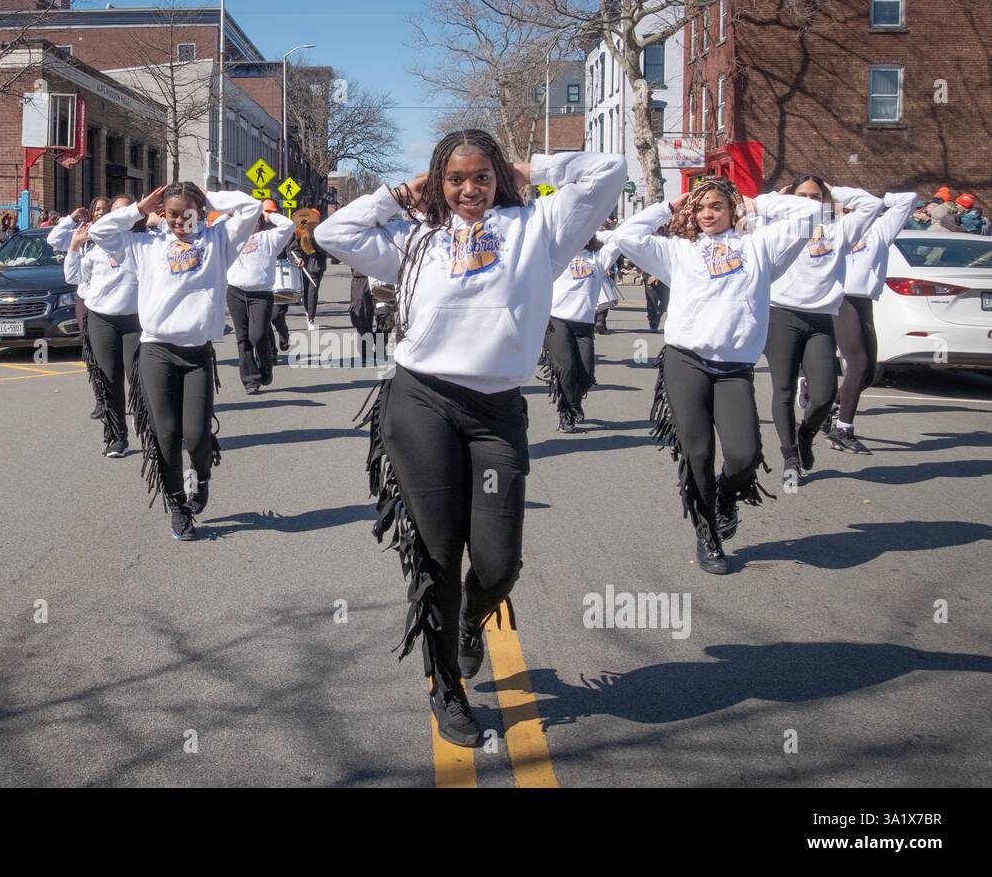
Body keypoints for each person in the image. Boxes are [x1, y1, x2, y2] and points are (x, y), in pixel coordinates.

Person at [315, 129, 625, 748]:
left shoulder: (540, 228)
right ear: (438, 182)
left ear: (499, 180)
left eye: (480, 177)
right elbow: (333, 233)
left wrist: (526, 165)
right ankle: (446, 689)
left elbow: (608, 172)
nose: (468, 190)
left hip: (496, 413)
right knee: (434, 555)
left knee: (497, 560)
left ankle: (470, 622)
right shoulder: (415, 238)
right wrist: (404, 192)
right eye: (454, 179)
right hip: (421, 400)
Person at [612, 178, 821, 576]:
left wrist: (757, 203)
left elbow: (810, 213)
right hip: (685, 360)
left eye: (718, 206)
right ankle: (708, 535)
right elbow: (626, 235)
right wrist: (670, 207)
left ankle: (727, 495)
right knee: (699, 453)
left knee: (742, 455)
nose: (708, 213)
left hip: (733, 369)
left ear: (732, 210)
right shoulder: (679, 252)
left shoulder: (760, 248)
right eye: (702, 206)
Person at [90, 182, 261, 541]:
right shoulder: (145, 245)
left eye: (187, 213)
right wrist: (138, 209)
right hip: (156, 351)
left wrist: (210, 196)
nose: (179, 221)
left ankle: (201, 477)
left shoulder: (218, 242)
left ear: (199, 211)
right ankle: (178, 506)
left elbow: (250, 209)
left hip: (197, 354)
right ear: (162, 214)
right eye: (171, 214)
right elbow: (99, 231)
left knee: (197, 435)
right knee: (166, 435)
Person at [760, 177, 882, 483]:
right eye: (802, 196)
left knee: (825, 392)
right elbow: (753, 206)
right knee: (784, 390)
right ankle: (790, 457)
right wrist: (782, 197)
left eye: (816, 197)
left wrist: (834, 189)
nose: (809, 202)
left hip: (821, 319)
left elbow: (873, 204)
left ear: (826, 200)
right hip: (781, 315)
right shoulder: (777, 228)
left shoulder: (840, 228)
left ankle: (806, 435)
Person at [826, 189, 918, 453]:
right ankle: (842, 428)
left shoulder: (881, 229)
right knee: (858, 363)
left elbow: (909, 198)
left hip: (865, 302)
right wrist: (831, 196)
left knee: (866, 374)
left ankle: (822, 401)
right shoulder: (836, 228)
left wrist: (837, 189)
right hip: (841, 300)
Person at [63, 213, 140, 457]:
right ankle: (118, 437)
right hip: (101, 319)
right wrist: (74, 246)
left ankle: (153, 431)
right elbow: (74, 277)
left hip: (136, 321)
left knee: (140, 378)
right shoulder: (95, 252)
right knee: (109, 379)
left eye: (124, 211)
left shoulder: (141, 245)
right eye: (113, 212)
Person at [541, 231, 620, 432]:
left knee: (585, 375)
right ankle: (566, 413)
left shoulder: (599, 258)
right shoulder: (556, 255)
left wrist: (595, 226)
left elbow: (622, 237)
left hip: (584, 324)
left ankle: (575, 403)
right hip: (557, 320)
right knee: (566, 369)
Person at [48, 197, 116, 419]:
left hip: (113, 301)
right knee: (92, 352)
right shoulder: (82, 232)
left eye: (105, 209)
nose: (100, 213)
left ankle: (125, 395)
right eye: (97, 209)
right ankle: (101, 400)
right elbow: (53, 238)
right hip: (85, 299)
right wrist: (71, 219)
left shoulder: (117, 235)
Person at [226, 199, 295, 393]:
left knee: (257, 335)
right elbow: (212, 226)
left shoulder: (269, 238)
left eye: (253, 220)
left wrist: (268, 214)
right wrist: (229, 213)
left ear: (259, 222)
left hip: (261, 294)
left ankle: (266, 368)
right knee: (243, 338)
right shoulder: (232, 237)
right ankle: (251, 380)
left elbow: (289, 225)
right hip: (235, 292)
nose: (249, 224)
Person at [295, 208, 328, 330]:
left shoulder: (322, 232)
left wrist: (314, 244)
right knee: (304, 292)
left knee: (312, 292)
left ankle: (311, 319)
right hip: (302, 265)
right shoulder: (301, 230)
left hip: (316, 265)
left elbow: (326, 251)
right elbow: (294, 246)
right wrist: (298, 257)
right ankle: (307, 313)